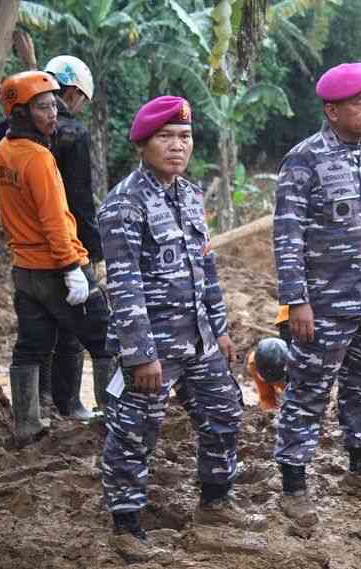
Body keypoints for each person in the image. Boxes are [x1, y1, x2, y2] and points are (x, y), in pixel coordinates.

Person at [98, 96, 265, 560]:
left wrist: (220, 328)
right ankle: (126, 524)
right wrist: (140, 354)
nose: (177, 146)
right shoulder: (124, 205)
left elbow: (204, 268)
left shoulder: (190, 196)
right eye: (165, 137)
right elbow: (124, 285)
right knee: (135, 429)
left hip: (199, 338)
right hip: (153, 344)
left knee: (225, 411)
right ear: (143, 144)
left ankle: (215, 500)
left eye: (185, 138)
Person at [273, 63, 361, 528]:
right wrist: (297, 301)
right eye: (360, 102)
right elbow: (287, 237)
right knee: (308, 391)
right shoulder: (303, 161)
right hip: (323, 306)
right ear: (332, 110)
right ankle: (293, 483)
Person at [0, 55, 105, 420]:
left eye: (55, 105)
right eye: (46, 106)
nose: (55, 114)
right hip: (59, 259)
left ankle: (29, 420)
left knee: (33, 344)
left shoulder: (1, 150)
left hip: (23, 266)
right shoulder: (45, 154)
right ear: (23, 113)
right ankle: (90, 411)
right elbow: (63, 211)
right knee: (98, 336)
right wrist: (78, 263)